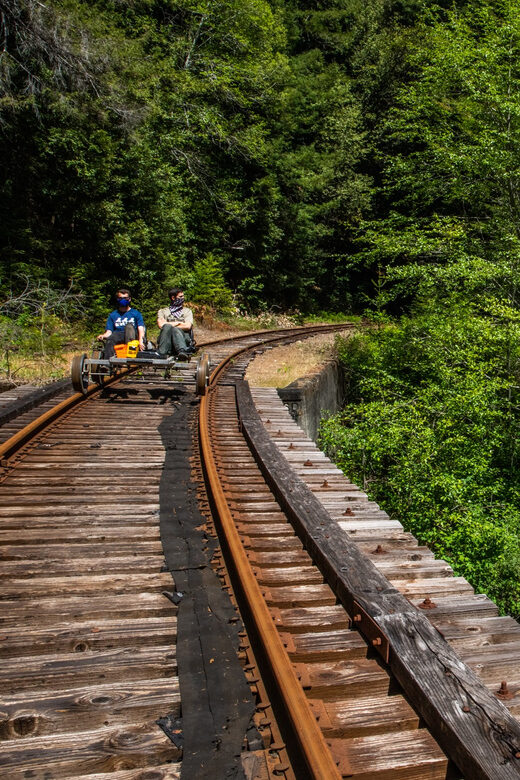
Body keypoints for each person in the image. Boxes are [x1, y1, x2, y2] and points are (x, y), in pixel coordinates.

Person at [98, 288, 145, 359]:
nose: (123, 300)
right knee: (111, 339)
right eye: (120, 298)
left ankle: (129, 358)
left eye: (125, 298)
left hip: (132, 336)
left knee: (129, 327)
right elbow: (109, 331)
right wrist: (103, 336)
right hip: (118, 335)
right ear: (117, 299)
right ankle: (107, 365)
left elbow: (141, 328)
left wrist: (141, 341)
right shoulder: (113, 315)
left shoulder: (136, 313)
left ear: (129, 299)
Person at [156, 288, 194, 360]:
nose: (183, 298)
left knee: (174, 329)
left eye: (183, 296)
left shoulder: (187, 311)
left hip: (183, 337)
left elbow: (188, 326)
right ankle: (162, 353)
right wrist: (178, 323)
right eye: (180, 297)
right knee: (167, 327)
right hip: (166, 339)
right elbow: (161, 325)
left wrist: (168, 323)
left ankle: (182, 351)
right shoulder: (163, 311)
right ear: (173, 298)